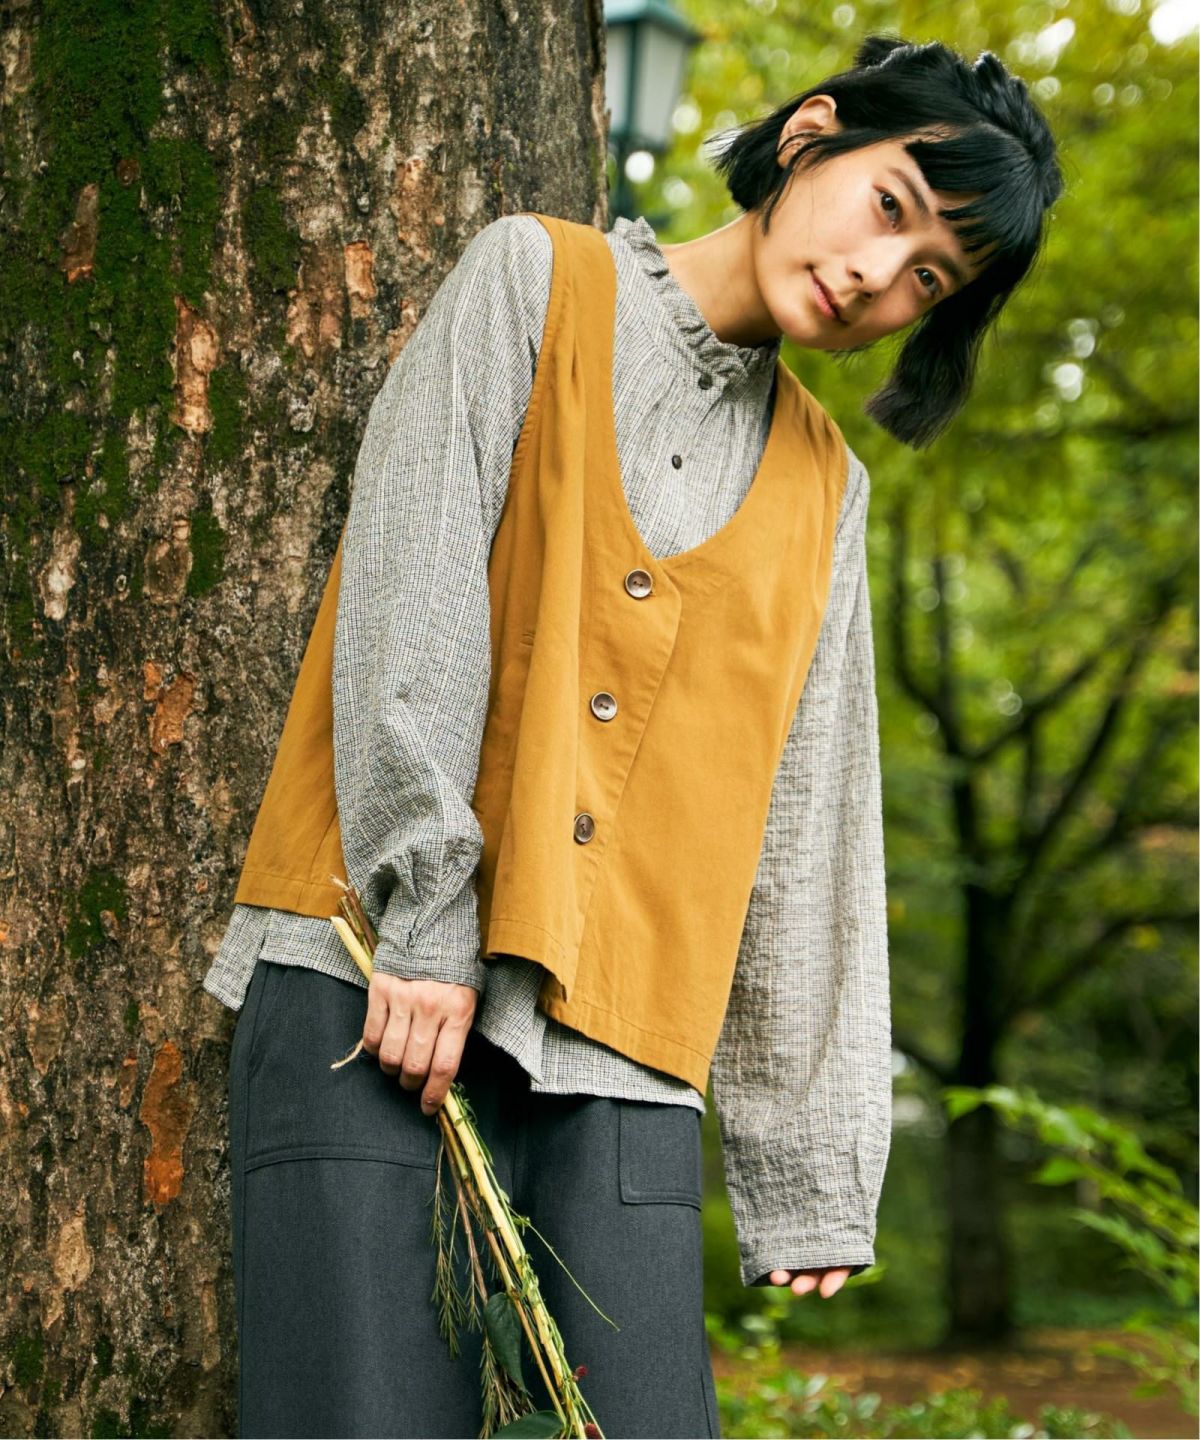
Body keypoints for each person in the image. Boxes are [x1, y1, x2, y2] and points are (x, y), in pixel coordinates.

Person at [203, 33, 1062, 1439]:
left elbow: (811, 818)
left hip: (624, 1051)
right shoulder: (533, 281)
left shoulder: (827, 491)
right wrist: (428, 921)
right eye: (890, 206)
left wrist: (810, 1161)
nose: (877, 275)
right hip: (370, 989)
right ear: (812, 137)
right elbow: (411, 597)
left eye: (929, 279)